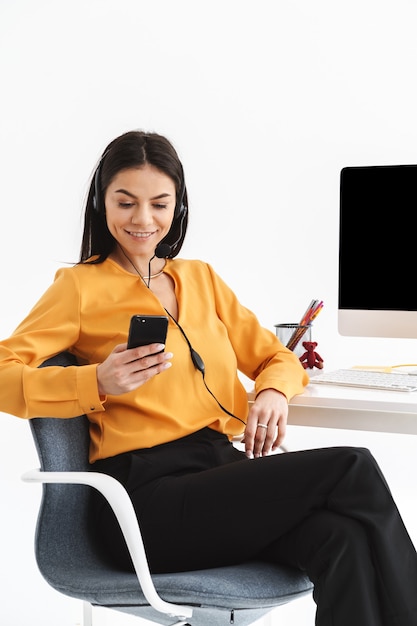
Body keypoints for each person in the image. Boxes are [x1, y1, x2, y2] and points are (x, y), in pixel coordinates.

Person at [0, 130, 416, 626]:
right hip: (145, 502)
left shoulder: (201, 279)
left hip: (218, 474)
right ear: (101, 201)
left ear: (178, 205)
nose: (143, 220)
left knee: (341, 538)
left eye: (159, 203)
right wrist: (95, 382)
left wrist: (272, 389)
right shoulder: (79, 287)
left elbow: (275, 357)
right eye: (125, 202)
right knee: (351, 466)